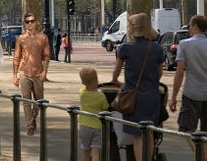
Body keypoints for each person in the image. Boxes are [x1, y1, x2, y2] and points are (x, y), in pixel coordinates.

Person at [111, 12, 164, 161]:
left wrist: (118, 82)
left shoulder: (125, 48)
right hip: (152, 96)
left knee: (137, 136)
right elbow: (159, 73)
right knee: (150, 134)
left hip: (134, 98)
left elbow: (116, 72)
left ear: (132, 28)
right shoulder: (156, 48)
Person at [169, 14, 207, 154]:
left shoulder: (185, 44)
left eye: (190, 25)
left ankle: (201, 155)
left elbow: (180, 73)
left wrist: (173, 97)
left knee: (186, 129)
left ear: (196, 26)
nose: (188, 28)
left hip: (191, 93)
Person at [12, 12, 49, 135]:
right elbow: (16, 57)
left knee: (39, 101)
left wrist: (44, 71)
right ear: (25, 24)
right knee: (26, 101)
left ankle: (33, 117)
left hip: (38, 73)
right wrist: (15, 75)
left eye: (32, 21)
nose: (30, 24)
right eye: (27, 22)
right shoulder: (21, 39)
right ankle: (30, 124)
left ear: (36, 22)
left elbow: (46, 56)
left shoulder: (43, 37)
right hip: (24, 73)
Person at [78, 66, 109, 161]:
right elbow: (105, 108)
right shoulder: (101, 96)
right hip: (97, 126)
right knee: (96, 150)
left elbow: (83, 89)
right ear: (96, 79)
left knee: (86, 150)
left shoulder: (82, 93)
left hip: (84, 126)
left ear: (83, 82)